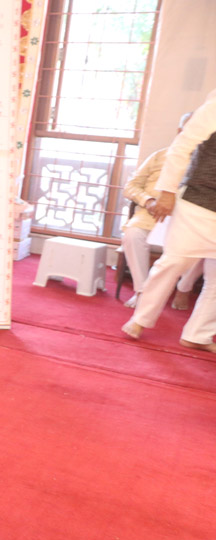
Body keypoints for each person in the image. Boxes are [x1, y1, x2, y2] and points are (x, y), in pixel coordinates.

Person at [122, 89, 216, 352]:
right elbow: (182, 146)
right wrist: (167, 191)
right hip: (199, 201)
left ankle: (198, 334)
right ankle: (140, 319)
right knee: (172, 262)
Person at [121, 113, 202, 309]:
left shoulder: (206, 163)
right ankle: (142, 291)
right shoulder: (159, 156)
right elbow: (131, 186)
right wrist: (148, 201)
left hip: (188, 222)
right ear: (180, 132)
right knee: (132, 235)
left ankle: (183, 287)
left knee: (206, 246)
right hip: (150, 216)